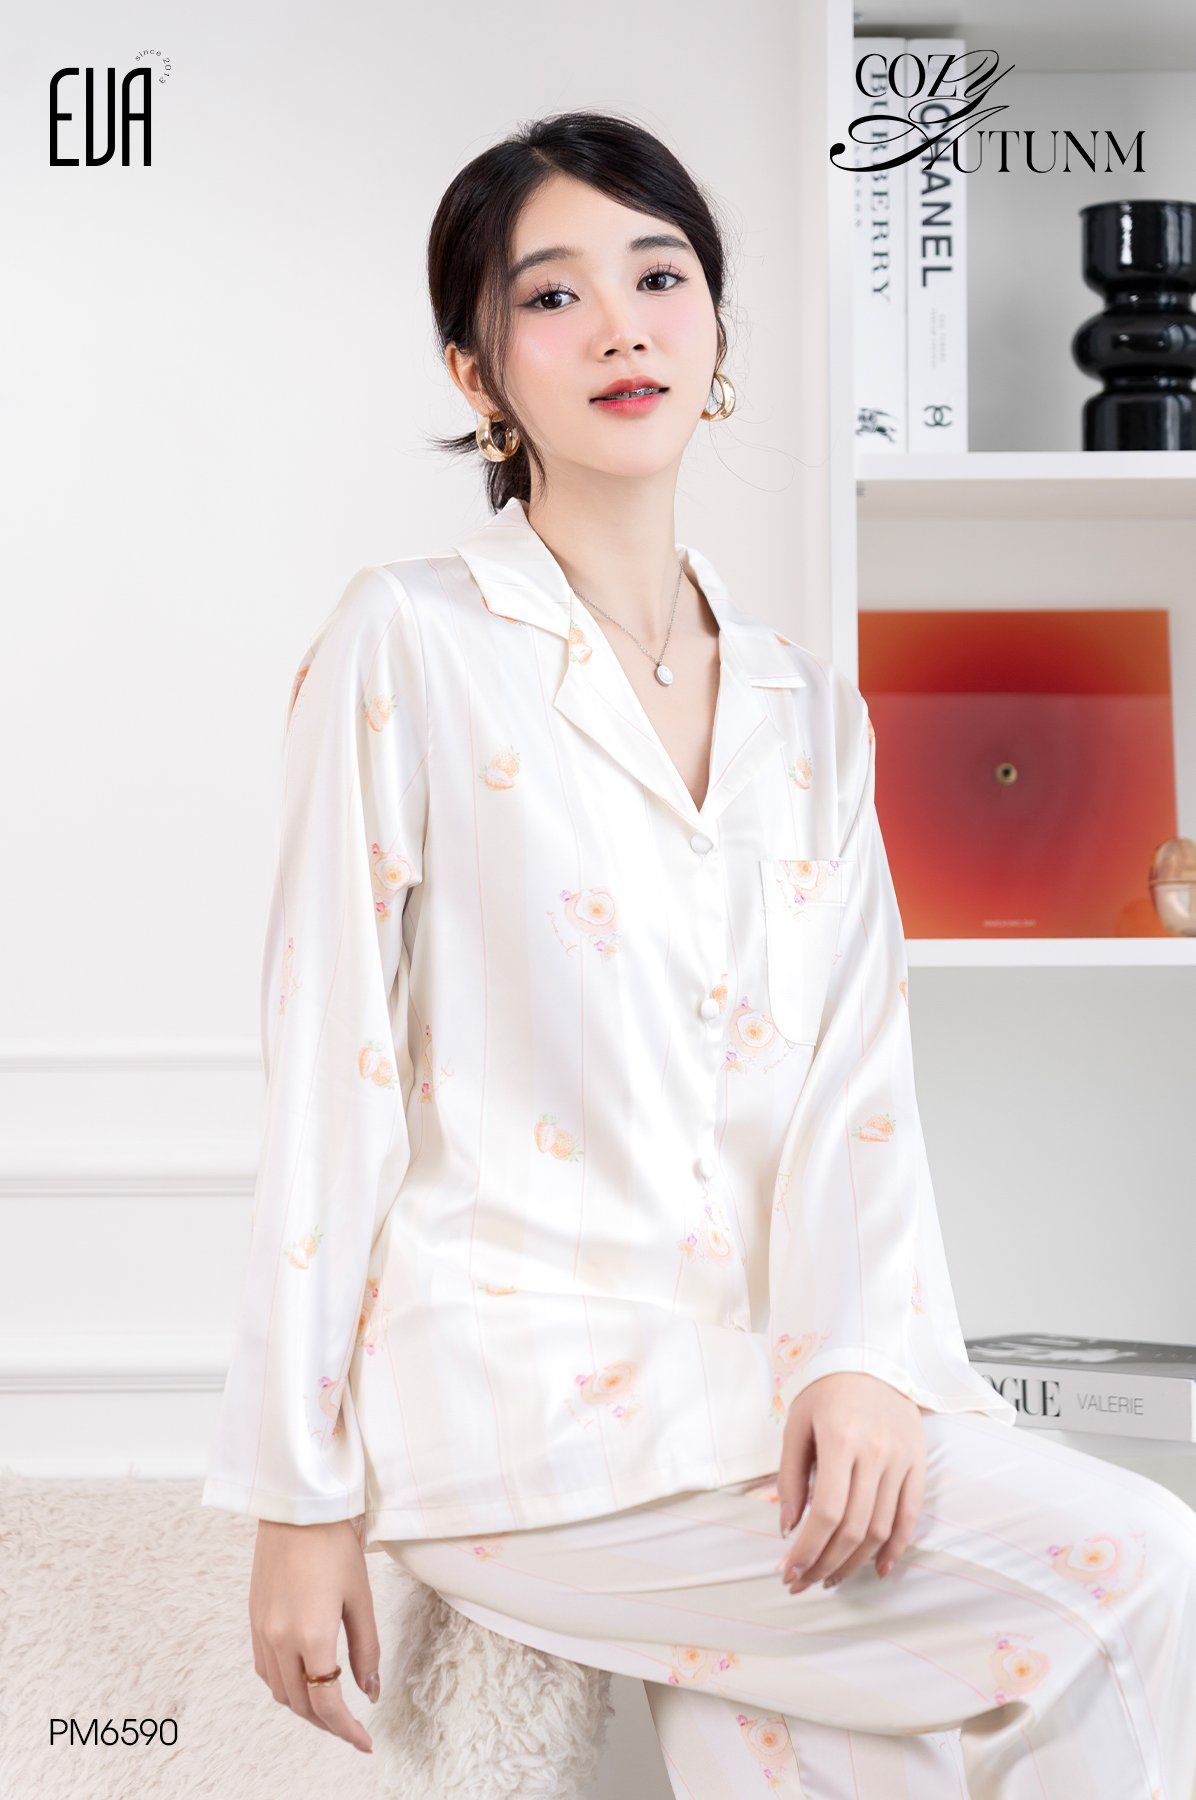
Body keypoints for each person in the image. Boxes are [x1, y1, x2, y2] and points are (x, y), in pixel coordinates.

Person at [202, 110, 1196, 1796]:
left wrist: (861, 1361)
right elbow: (328, 1075)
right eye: (553, 295)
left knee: (822, 1763)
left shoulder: (807, 707)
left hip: (761, 1397)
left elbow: (854, 1078)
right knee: (1139, 1573)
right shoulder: (411, 642)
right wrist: (298, 1503)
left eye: (659, 277)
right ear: (477, 374)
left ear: (716, 327)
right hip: (521, 1421)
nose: (621, 325)